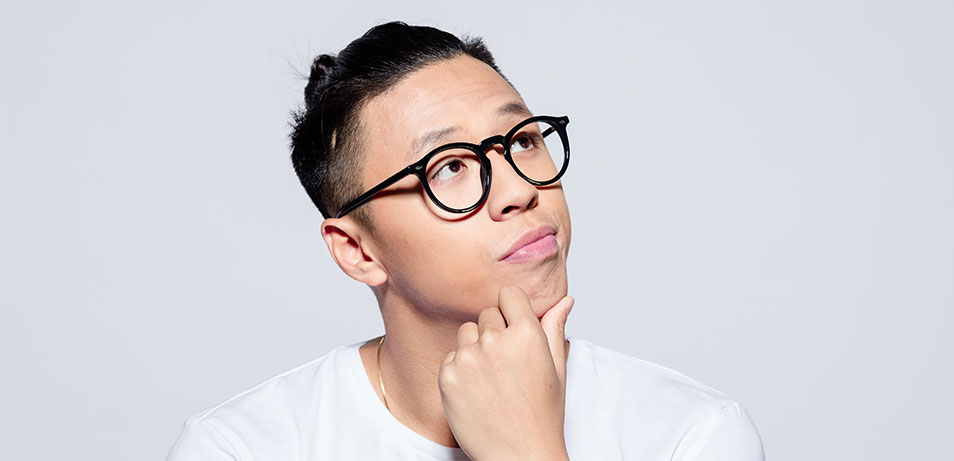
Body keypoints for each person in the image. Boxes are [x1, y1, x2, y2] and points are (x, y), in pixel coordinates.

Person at [167, 21, 765, 460]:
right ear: (357, 250)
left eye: (524, 140)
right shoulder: (242, 448)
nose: (518, 190)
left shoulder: (691, 435)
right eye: (449, 167)